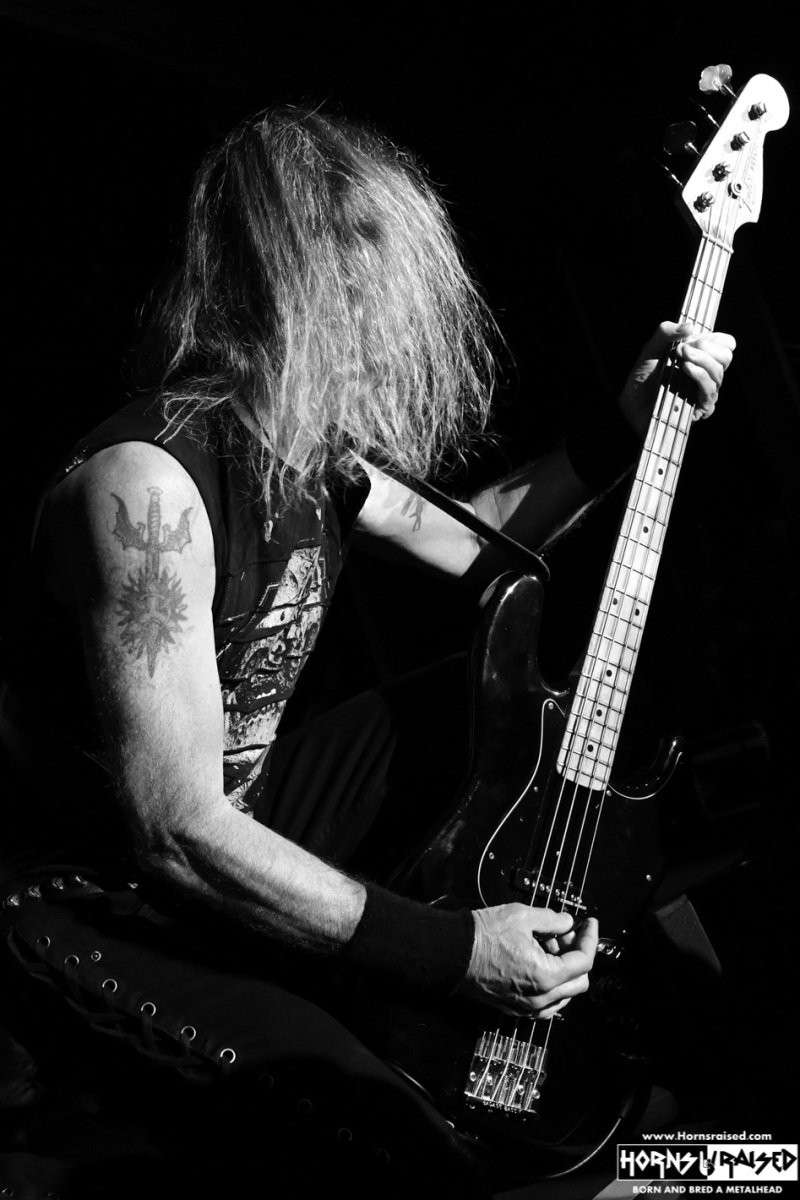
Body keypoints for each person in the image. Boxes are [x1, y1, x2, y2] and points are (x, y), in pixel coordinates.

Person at [0, 107, 734, 1197]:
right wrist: (453, 953)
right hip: (90, 893)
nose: (398, 337)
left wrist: (625, 424)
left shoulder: (314, 462)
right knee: (398, 1150)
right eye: (372, 300)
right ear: (295, 295)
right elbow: (176, 831)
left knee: (490, 702)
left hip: (239, 818)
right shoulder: (146, 492)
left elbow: (491, 538)